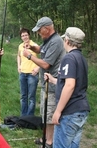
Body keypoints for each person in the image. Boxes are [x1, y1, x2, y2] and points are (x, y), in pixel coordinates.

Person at [23, 17, 65, 148]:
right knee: (45, 113)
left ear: (47, 28)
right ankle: (45, 138)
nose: (38, 33)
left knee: (50, 114)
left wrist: (29, 56)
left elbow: (46, 64)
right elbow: (41, 49)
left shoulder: (56, 41)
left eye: (40, 30)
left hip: (52, 85)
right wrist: (32, 47)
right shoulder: (48, 40)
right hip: (45, 83)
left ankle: (50, 142)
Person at [45, 27, 90, 148]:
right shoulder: (81, 58)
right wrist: (54, 80)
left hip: (69, 112)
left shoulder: (69, 58)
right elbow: (70, 81)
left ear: (68, 41)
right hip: (81, 111)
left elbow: (70, 85)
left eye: (65, 39)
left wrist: (58, 111)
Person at [17, 28, 40, 116]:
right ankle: (23, 116)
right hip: (22, 73)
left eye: (26, 35)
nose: (24, 37)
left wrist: (38, 67)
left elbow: (45, 58)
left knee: (31, 97)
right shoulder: (20, 46)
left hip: (32, 74)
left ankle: (30, 117)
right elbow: (18, 56)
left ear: (29, 35)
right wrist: (19, 66)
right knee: (23, 96)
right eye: (22, 36)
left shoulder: (34, 45)